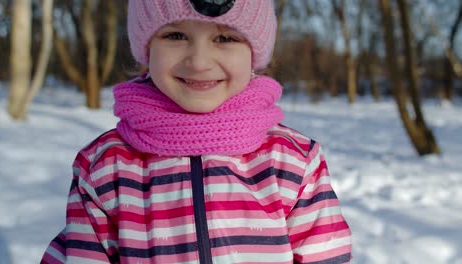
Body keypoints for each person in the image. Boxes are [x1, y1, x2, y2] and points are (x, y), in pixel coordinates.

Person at [41, 0, 352, 263]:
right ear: (146, 50)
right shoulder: (105, 165)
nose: (199, 62)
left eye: (225, 39)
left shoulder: (293, 161)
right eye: (176, 35)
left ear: (255, 55)